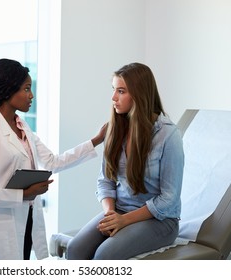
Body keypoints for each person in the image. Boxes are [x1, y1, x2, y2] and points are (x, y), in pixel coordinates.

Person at [0, 58, 106, 260]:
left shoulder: (22, 126)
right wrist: (23, 194)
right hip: (1, 227)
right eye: (26, 89)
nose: (32, 96)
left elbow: (52, 162)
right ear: (8, 90)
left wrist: (96, 140)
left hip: (28, 219)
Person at [66, 62, 184, 260]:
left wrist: (124, 220)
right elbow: (105, 181)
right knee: (74, 249)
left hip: (160, 220)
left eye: (121, 91)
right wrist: (111, 214)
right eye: (114, 90)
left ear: (139, 94)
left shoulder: (168, 135)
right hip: (119, 210)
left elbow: (168, 199)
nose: (113, 98)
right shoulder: (114, 128)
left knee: (104, 257)